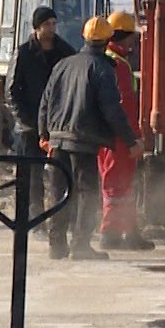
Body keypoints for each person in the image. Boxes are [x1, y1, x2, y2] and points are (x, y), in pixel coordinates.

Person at [38, 15, 137, 260]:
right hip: (84, 140)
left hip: (58, 138)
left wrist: (44, 134)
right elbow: (113, 110)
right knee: (87, 193)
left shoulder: (63, 64)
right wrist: (131, 141)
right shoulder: (102, 69)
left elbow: (45, 102)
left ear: (84, 37)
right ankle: (80, 246)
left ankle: (56, 245)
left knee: (59, 192)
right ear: (107, 40)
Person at [9, 5, 76, 224]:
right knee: (32, 176)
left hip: (57, 126)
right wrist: (27, 121)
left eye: (54, 23)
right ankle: (33, 219)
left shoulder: (64, 53)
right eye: (47, 24)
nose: (51, 28)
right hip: (29, 127)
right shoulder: (24, 53)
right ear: (37, 28)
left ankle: (60, 218)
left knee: (60, 175)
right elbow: (12, 92)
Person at [97, 10, 151, 250]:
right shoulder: (115, 63)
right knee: (115, 184)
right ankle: (109, 233)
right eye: (132, 37)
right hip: (118, 136)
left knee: (125, 185)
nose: (134, 42)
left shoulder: (115, 60)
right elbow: (120, 105)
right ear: (122, 36)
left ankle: (128, 231)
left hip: (119, 133)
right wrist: (132, 137)